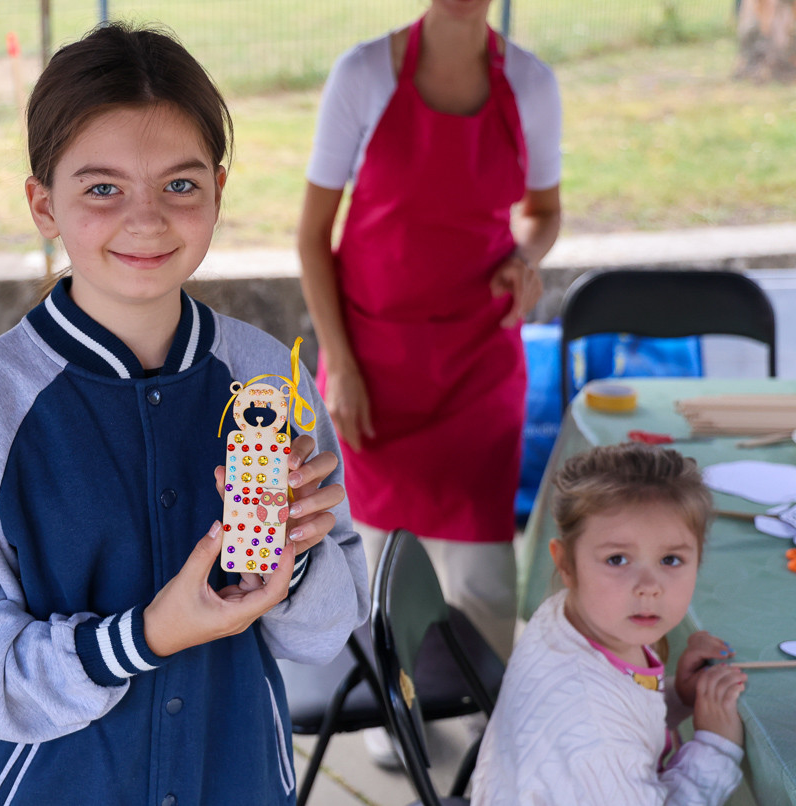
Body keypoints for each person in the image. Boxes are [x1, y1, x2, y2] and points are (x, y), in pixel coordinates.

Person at [0, 22, 369, 806]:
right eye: (102, 188)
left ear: (220, 190)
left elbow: (321, 635)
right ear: (43, 204)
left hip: (236, 778)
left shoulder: (266, 379)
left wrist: (293, 565)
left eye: (180, 186)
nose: (147, 220)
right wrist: (139, 639)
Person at [297, 0, 562, 665]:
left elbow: (544, 212)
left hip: (479, 359)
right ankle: (393, 712)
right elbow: (310, 238)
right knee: (379, 560)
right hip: (373, 360)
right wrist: (342, 364)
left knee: (484, 576)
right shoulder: (361, 76)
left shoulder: (531, 84)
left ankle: (489, 735)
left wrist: (525, 259)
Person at [471, 443, 747, 805]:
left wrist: (678, 696)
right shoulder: (592, 735)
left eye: (671, 559)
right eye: (617, 559)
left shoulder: (571, 617)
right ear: (566, 563)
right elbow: (600, 727)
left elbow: (618, 702)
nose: (649, 587)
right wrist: (715, 749)